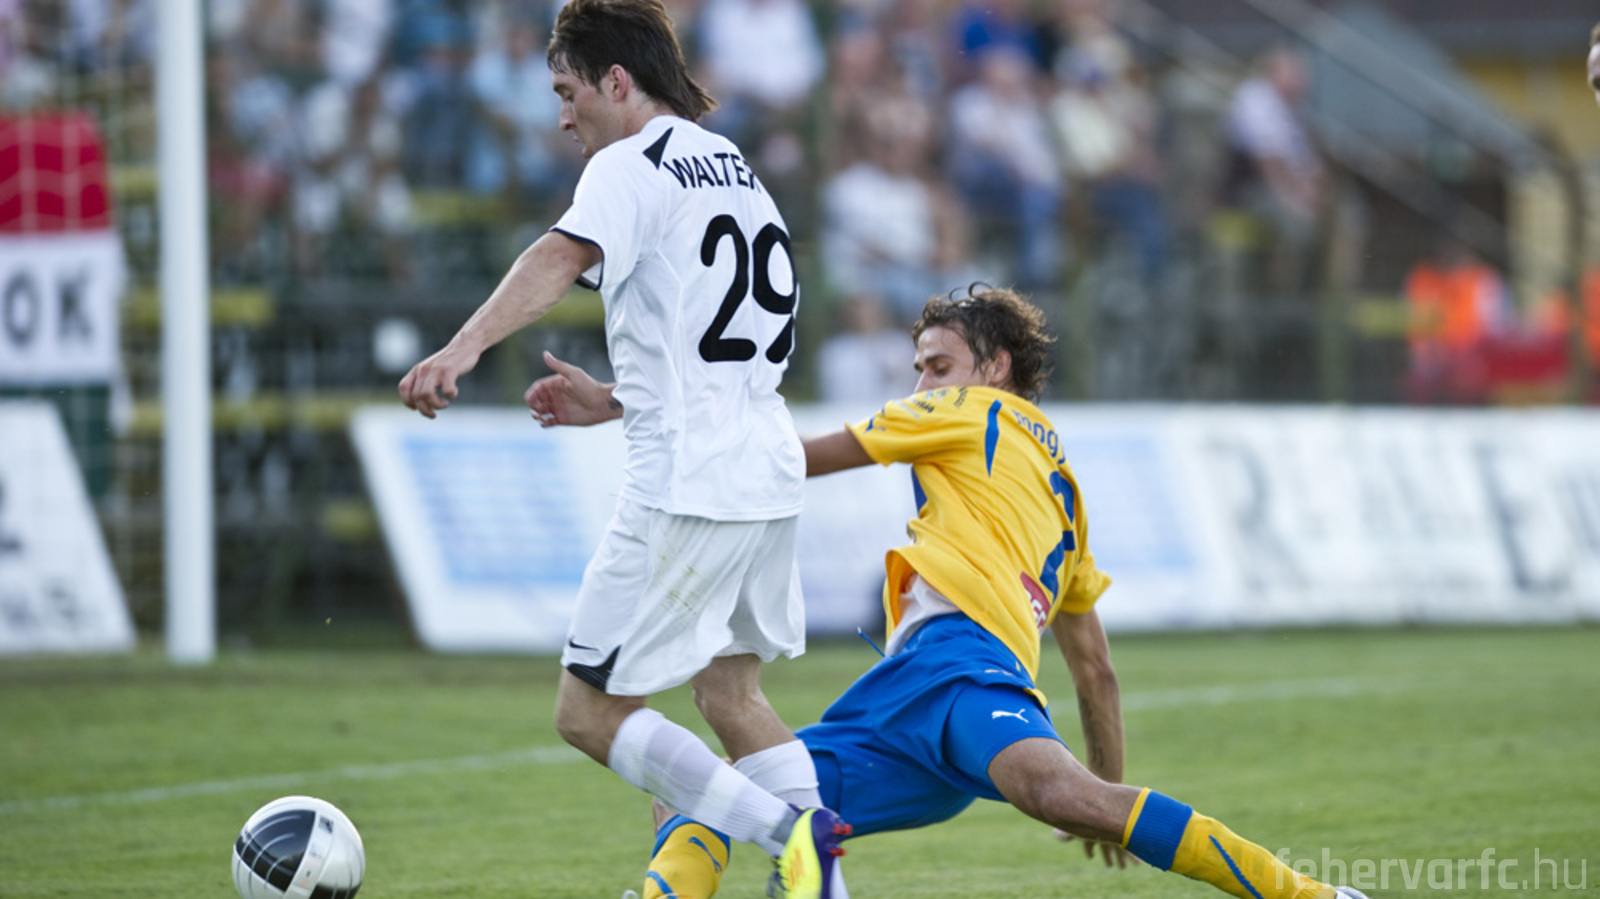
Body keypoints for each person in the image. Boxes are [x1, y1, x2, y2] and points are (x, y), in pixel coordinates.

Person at [631, 286, 1371, 899]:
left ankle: (1312, 895)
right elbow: (1095, 668)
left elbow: (796, 459)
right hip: (908, 702)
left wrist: (649, 419)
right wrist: (1107, 789)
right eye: (918, 370)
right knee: (712, 790)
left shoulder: (964, 410)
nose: (921, 387)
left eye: (938, 366)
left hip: (961, 672)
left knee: (715, 792)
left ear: (995, 367)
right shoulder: (1065, 494)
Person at [396, 1, 847, 896]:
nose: (564, 117)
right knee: (730, 696)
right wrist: (612, 399)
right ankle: (824, 883)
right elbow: (718, 341)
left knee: (589, 710)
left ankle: (789, 832)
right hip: (764, 467)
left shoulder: (631, 163)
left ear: (616, 80)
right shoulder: (739, 172)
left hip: (686, 481)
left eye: (568, 92)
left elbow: (558, 255)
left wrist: (462, 347)